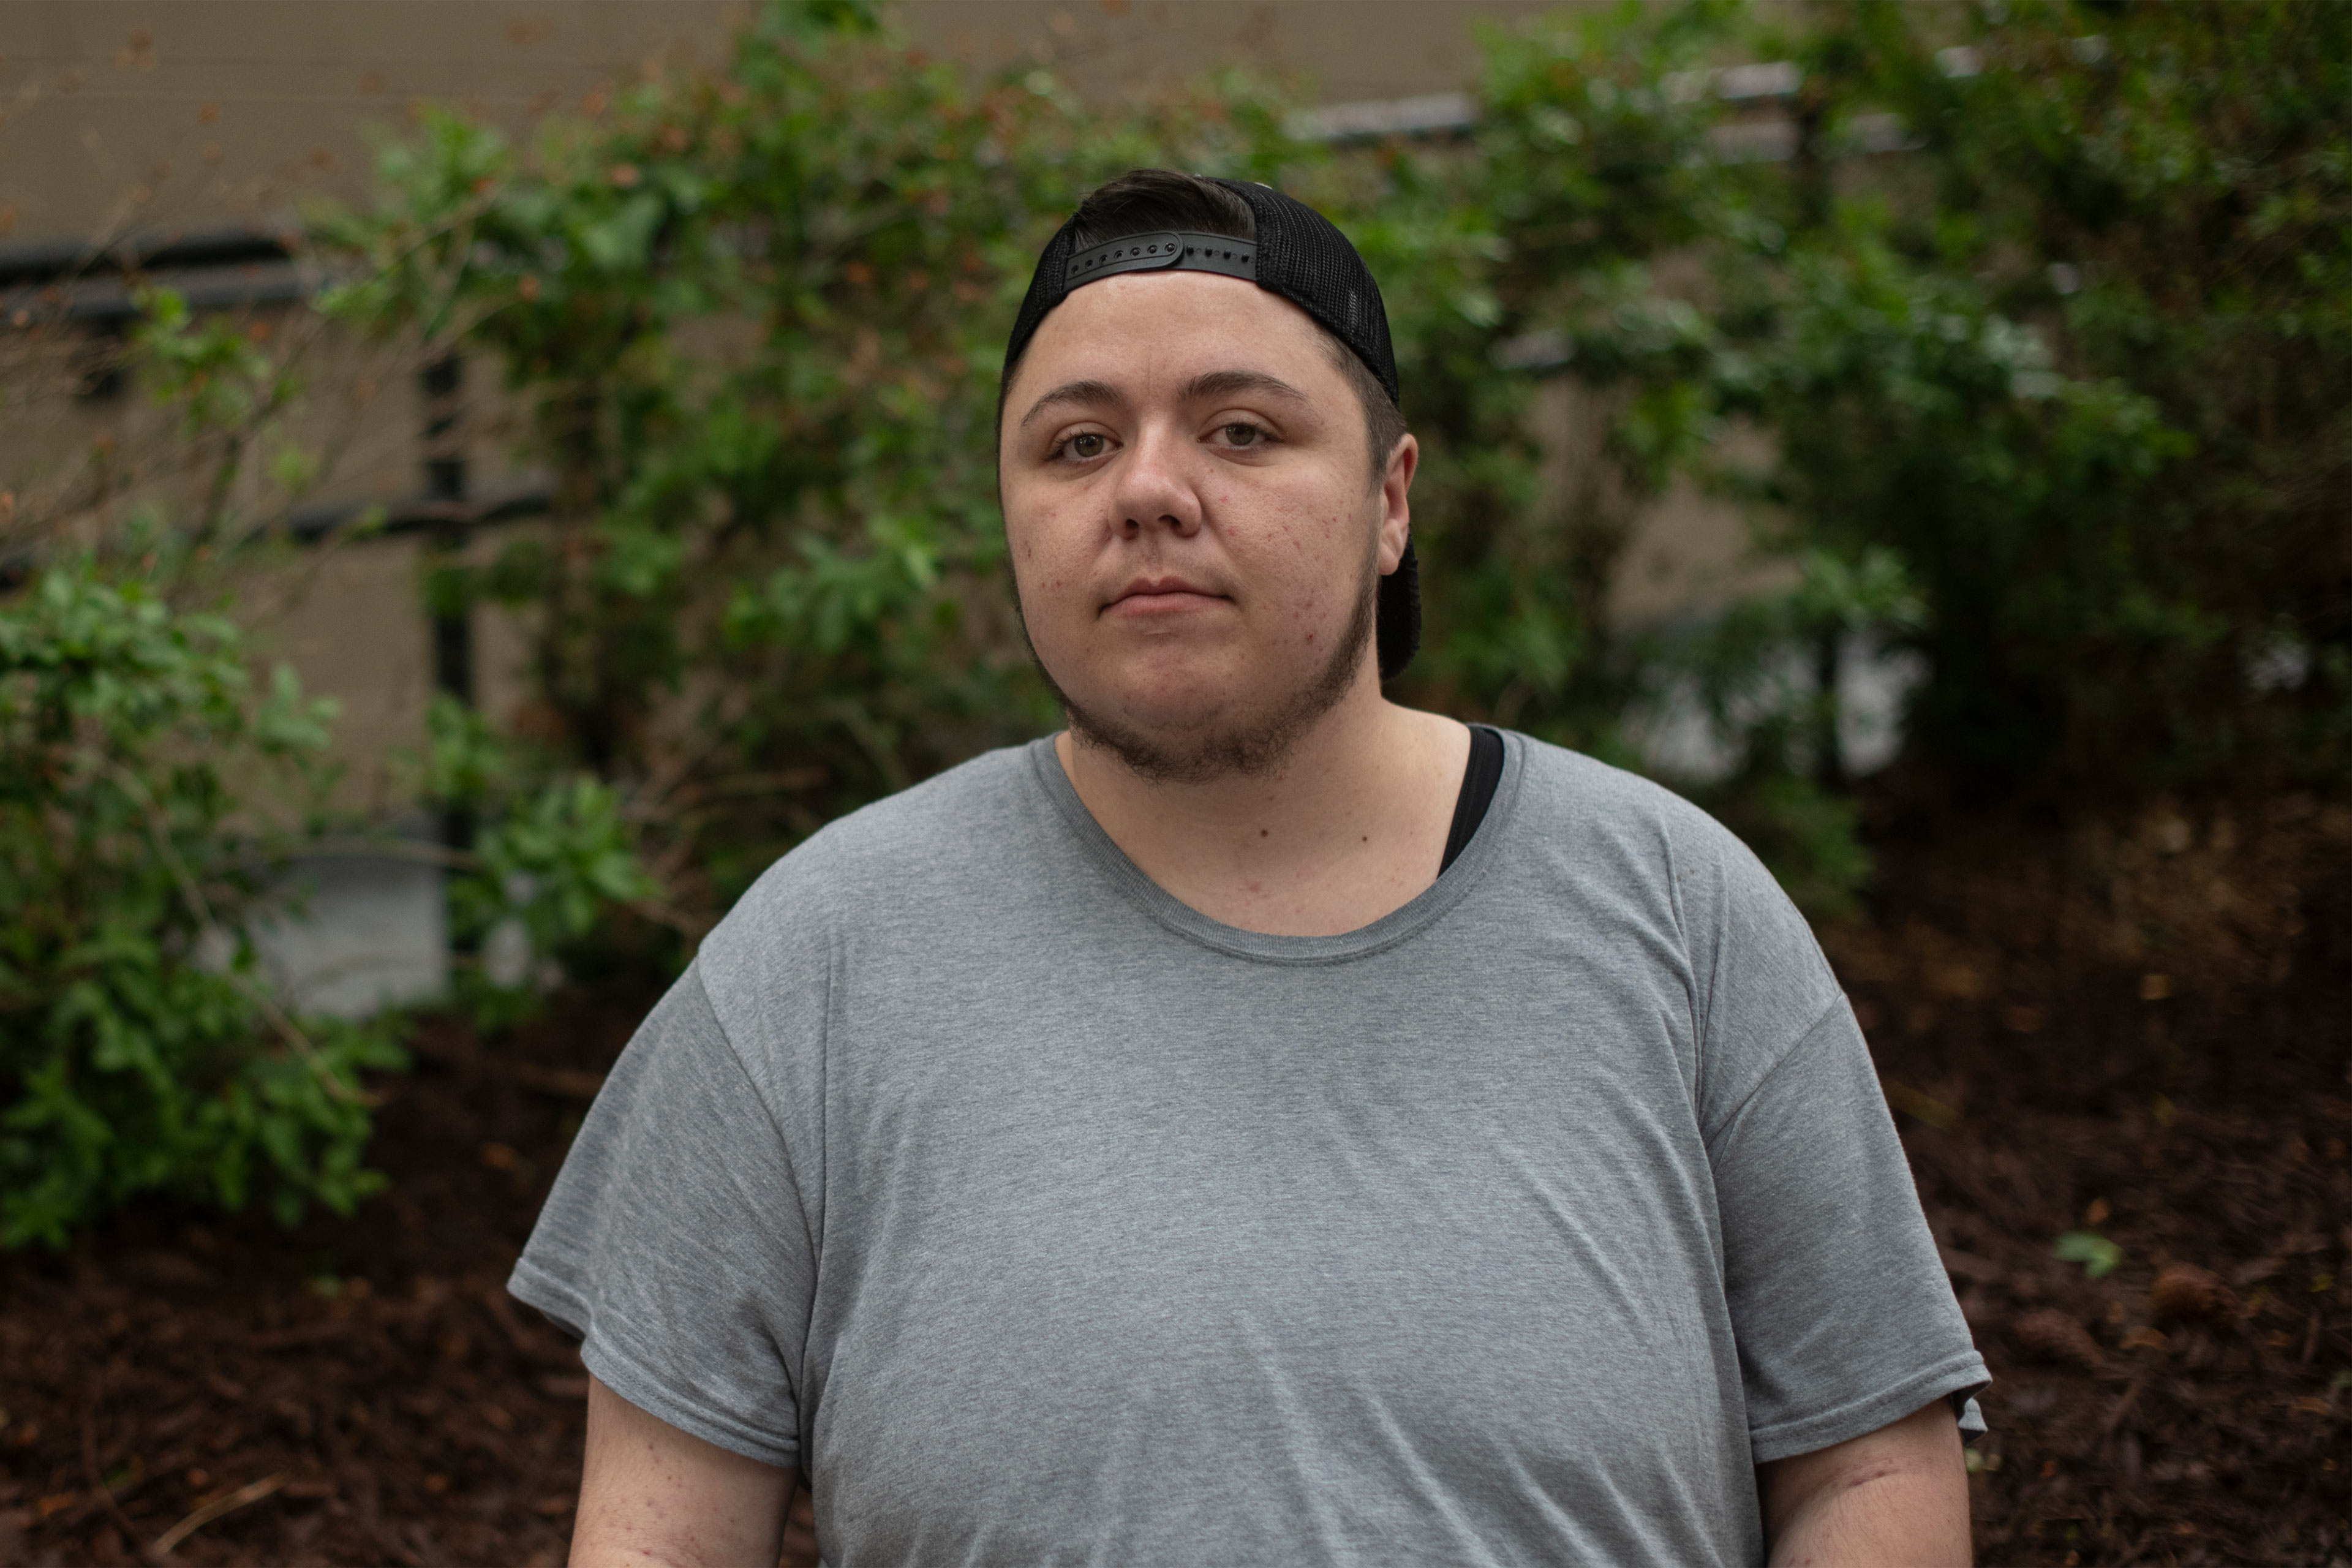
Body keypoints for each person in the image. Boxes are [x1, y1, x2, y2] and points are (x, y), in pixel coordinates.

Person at [512, 168, 1988, 1568]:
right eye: (1077, 443)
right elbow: (657, 1536)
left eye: (1239, 430)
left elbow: (1869, 1464)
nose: (1148, 490)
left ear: (1392, 501)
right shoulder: (814, 960)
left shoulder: (1674, 905)